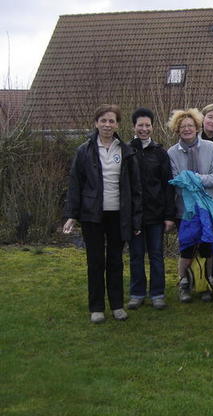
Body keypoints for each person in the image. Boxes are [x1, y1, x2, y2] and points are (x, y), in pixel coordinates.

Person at [63, 104, 142, 324]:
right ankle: (96, 307)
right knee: (95, 262)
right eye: (103, 120)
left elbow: (135, 189)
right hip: (92, 216)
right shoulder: (84, 150)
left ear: (118, 124)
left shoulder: (126, 151)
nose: (107, 125)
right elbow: (75, 184)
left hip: (118, 215)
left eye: (112, 121)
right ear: (96, 123)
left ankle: (117, 305)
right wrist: (72, 214)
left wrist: (136, 219)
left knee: (115, 262)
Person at [167, 108, 213, 303]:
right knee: (187, 248)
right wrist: (189, 181)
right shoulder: (172, 153)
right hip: (186, 210)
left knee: (207, 248)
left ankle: (207, 282)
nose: (187, 129)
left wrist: (197, 179)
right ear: (177, 129)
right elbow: (176, 180)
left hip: (209, 208)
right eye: (182, 127)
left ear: (197, 127)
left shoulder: (211, 148)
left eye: (190, 126)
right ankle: (184, 282)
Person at [126, 108, 176, 311]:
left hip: (156, 214)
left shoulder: (160, 153)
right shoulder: (126, 151)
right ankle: (137, 293)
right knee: (136, 255)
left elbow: (168, 185)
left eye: (147, 125)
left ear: (152, 127)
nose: (144, 129)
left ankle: (157, 293)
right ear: (134, 127)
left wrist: (169, 216)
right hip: (134, 215)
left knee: (156, 255)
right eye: (140, 125)